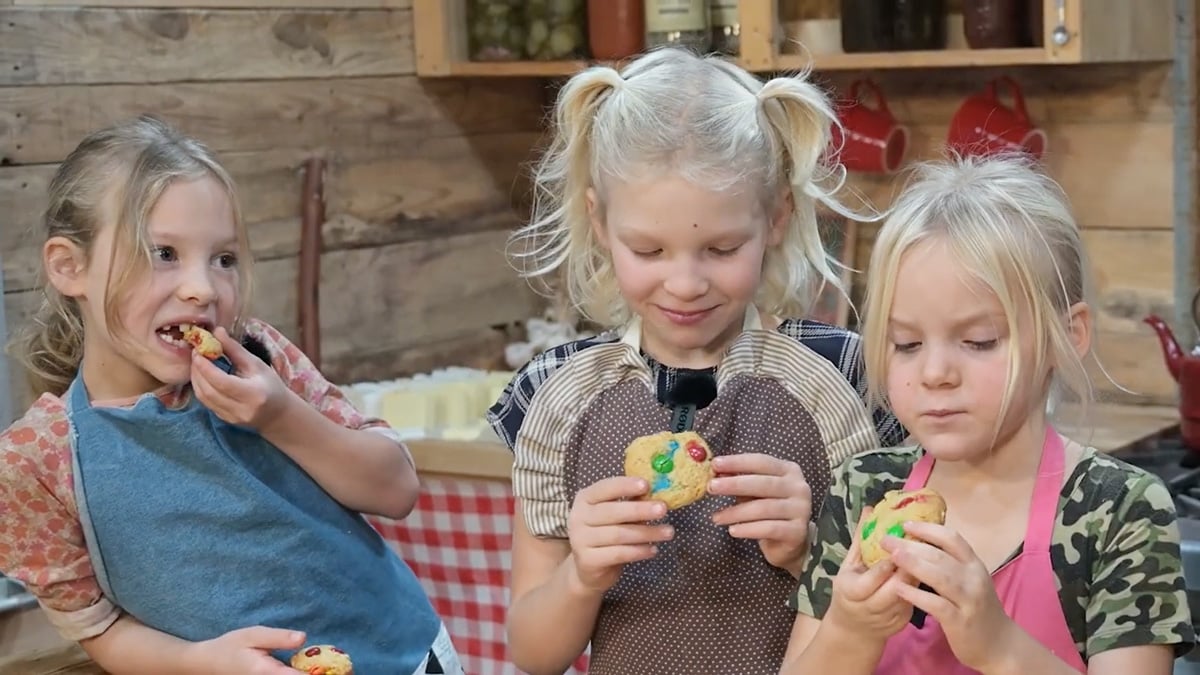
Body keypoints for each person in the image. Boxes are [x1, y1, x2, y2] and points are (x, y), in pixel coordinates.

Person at [484, 46, 905, 675]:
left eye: (721, 247)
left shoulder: (848, 379)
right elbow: (533, 653)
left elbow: (912, 621)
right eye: (649, 250)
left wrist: (808, 549)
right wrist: (582, 576)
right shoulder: (557, 393)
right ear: (600, 222)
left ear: (778, 217)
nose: (685, 283)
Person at [0, 115, 462, 674]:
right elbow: (97, 627)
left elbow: (396, 489)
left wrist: (281, 417)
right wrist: (201, 662)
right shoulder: (35, 461)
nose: (203, 289)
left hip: (404, 657)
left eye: (224, 259)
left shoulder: (261, 356)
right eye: (163, 254)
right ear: (70, 267)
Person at [783, 153, 1195, 674]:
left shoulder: (1117, 512)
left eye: (978, 342)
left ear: (1066, 338)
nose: (935, 372)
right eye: (906, 343)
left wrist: (1000, 646)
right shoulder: (864, 490)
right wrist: (850, 629)